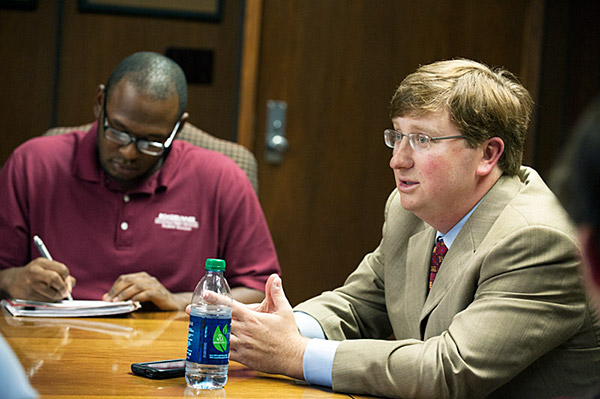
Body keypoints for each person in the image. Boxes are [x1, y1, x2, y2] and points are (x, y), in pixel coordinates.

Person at [201, 59, 600, 398]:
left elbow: (449, 370)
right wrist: (278, 328)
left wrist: (295, 353)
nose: (398, 160)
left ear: (488, 153)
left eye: (423, 139)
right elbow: (362, 303)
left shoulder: (538, 240)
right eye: (397, 136)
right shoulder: (411, 209)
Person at [0, 51, 280, 310]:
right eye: (118, 132)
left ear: (177, 128)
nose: (128, 152)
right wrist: (13, 280)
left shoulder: (222, 178)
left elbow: (261, 292)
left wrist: (175, 300)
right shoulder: (33, 164)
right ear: (100, 104)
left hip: (169, 353)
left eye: (151, 142)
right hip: (51, 343)